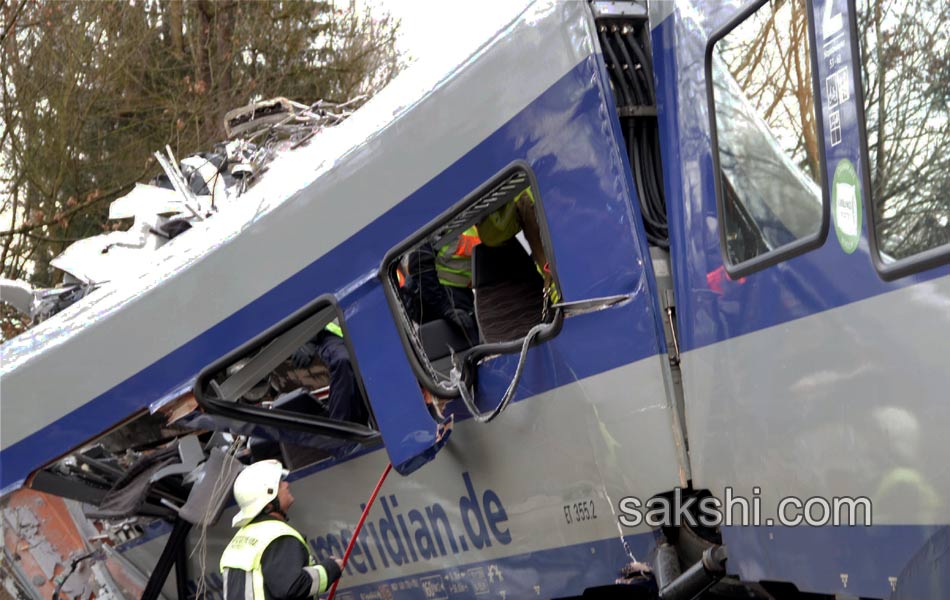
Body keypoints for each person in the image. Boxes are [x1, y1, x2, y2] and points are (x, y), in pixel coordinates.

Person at [220, 460, 342, 600]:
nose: (286, 484)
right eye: (279, 484)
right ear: (269, 499)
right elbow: (292, 586)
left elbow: (268, 587)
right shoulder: (277, 536)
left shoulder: (240, 539)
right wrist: (330, 569)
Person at [291, 322, 368, 424]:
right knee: (343, 361)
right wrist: (308, 339)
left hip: (361, 330)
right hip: (325, 333)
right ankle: (340, 428)